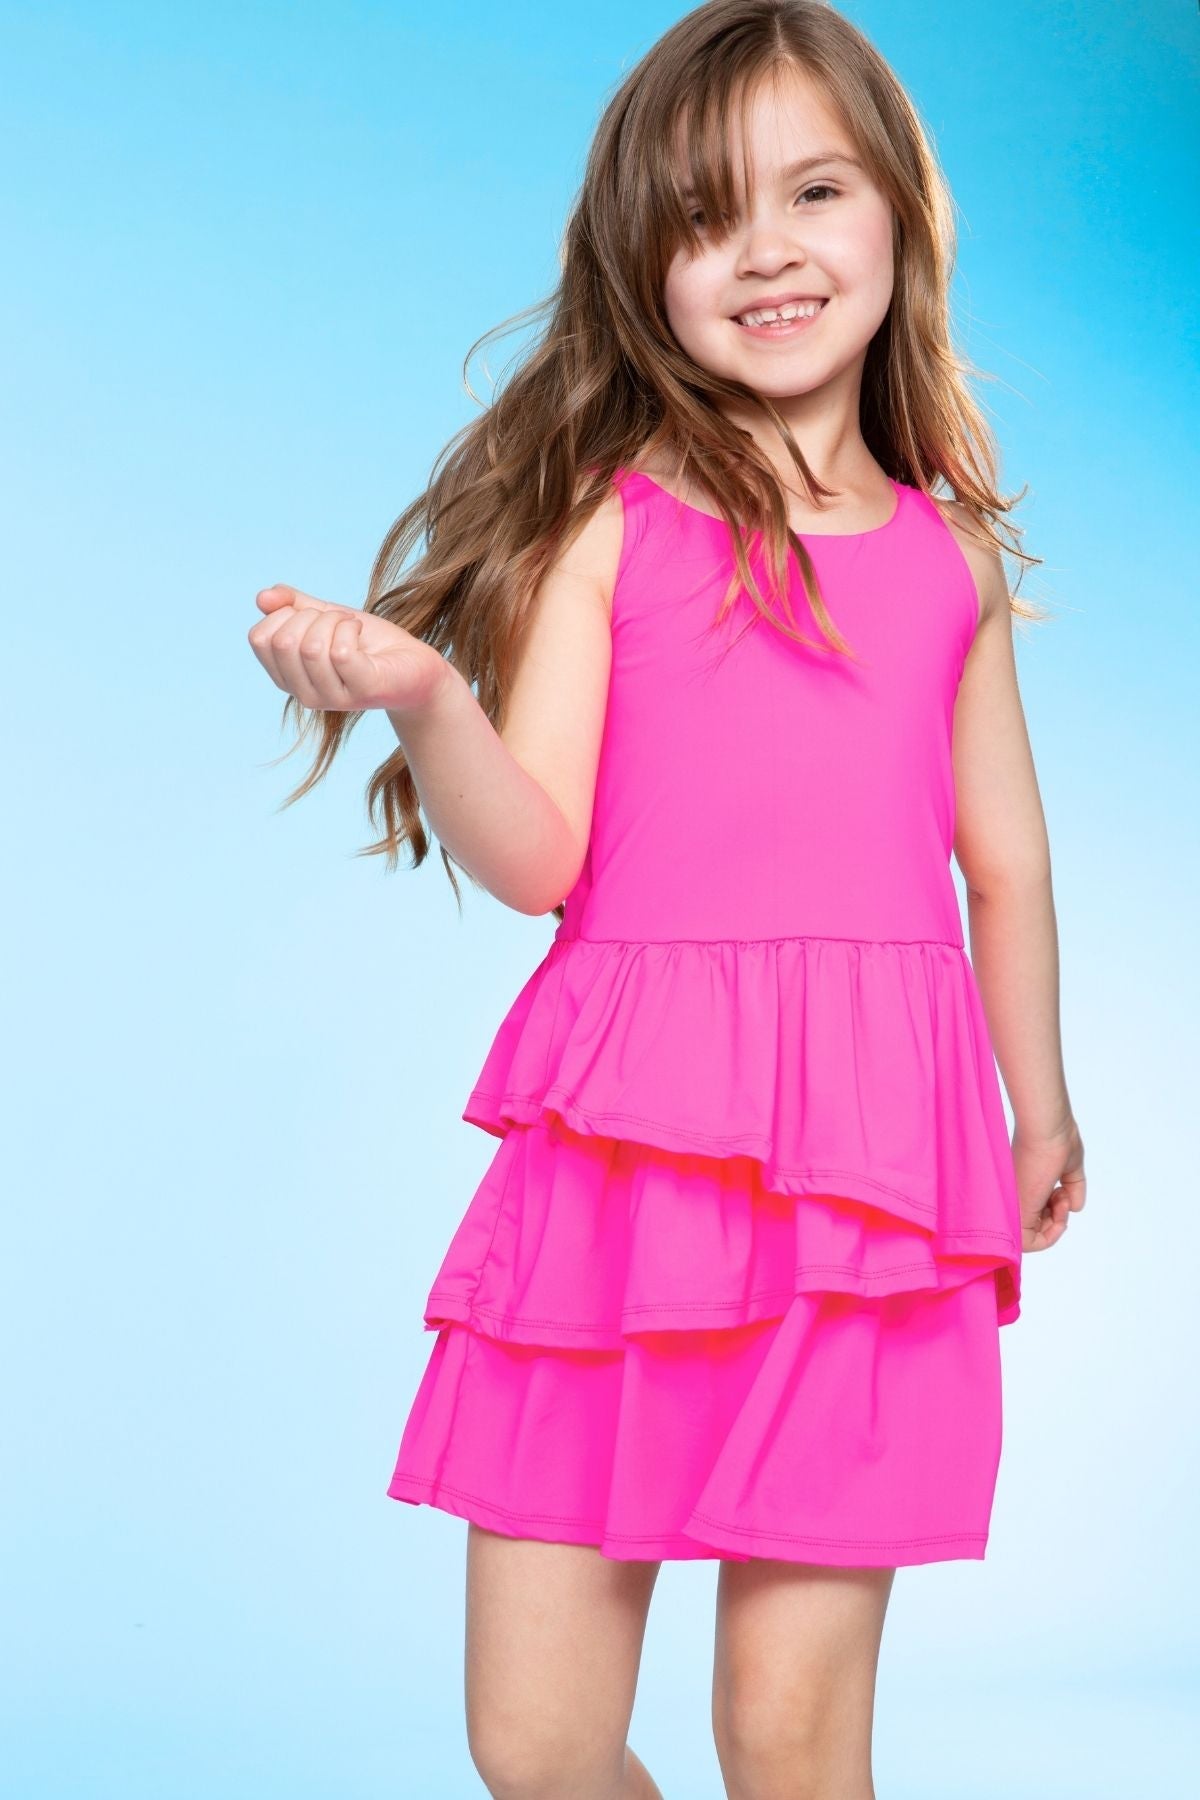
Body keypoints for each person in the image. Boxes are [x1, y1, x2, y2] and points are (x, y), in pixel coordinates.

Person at [247, 3, 1087, 1794]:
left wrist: (1041, 1107)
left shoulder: (948, 560)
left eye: (814, 190)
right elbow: (542, 858)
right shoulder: (612, 522)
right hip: (618, 1176)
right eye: (707, 216)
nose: (766, 249)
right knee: (540, 1745)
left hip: (870, 1185)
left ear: (900, 211)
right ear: (645, 268)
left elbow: (1005, 863)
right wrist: (426, 697)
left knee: (788, 1739)